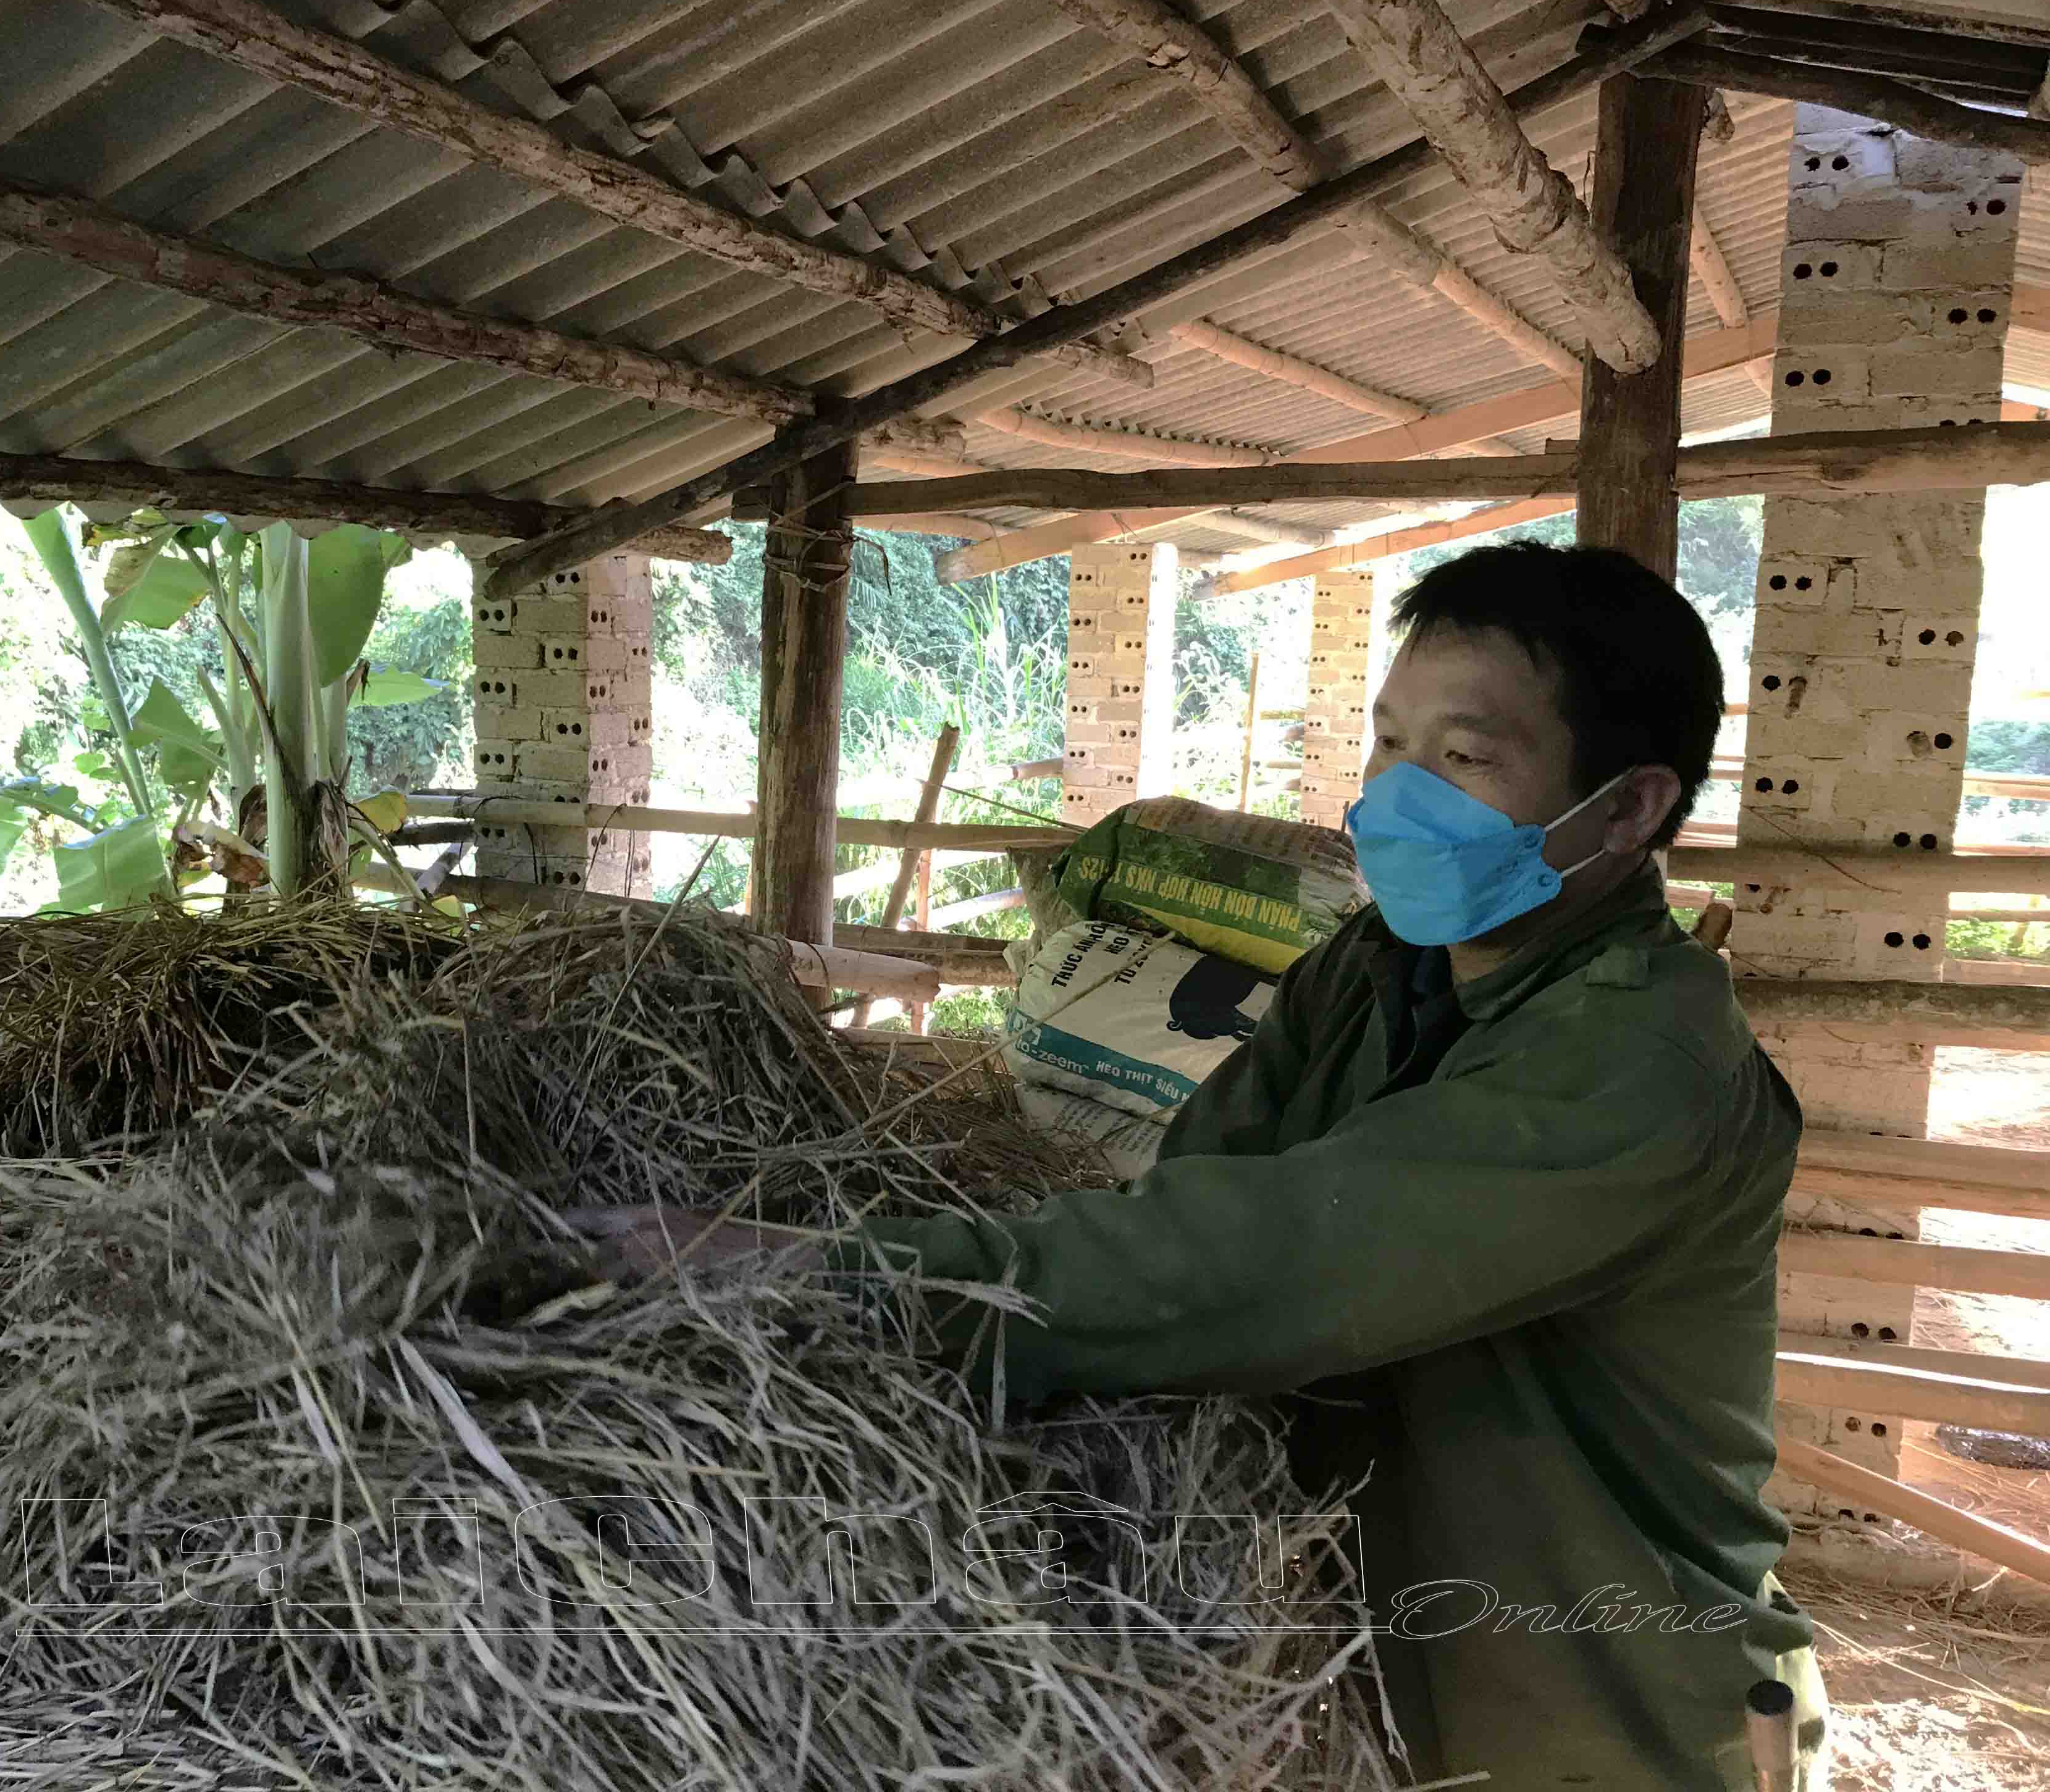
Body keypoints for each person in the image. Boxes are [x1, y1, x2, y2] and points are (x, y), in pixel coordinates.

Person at [573, 542, 1827, 1789]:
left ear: (1626, 808)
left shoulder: (1643, 1063)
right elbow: (1203, 1182)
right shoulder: (1375, 970)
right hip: (1400, 1676)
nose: (1398, 794)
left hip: (1610, 1712)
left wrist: (847, 1276)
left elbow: (1270, 1261)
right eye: (1390, 743)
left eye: (1465, 759)